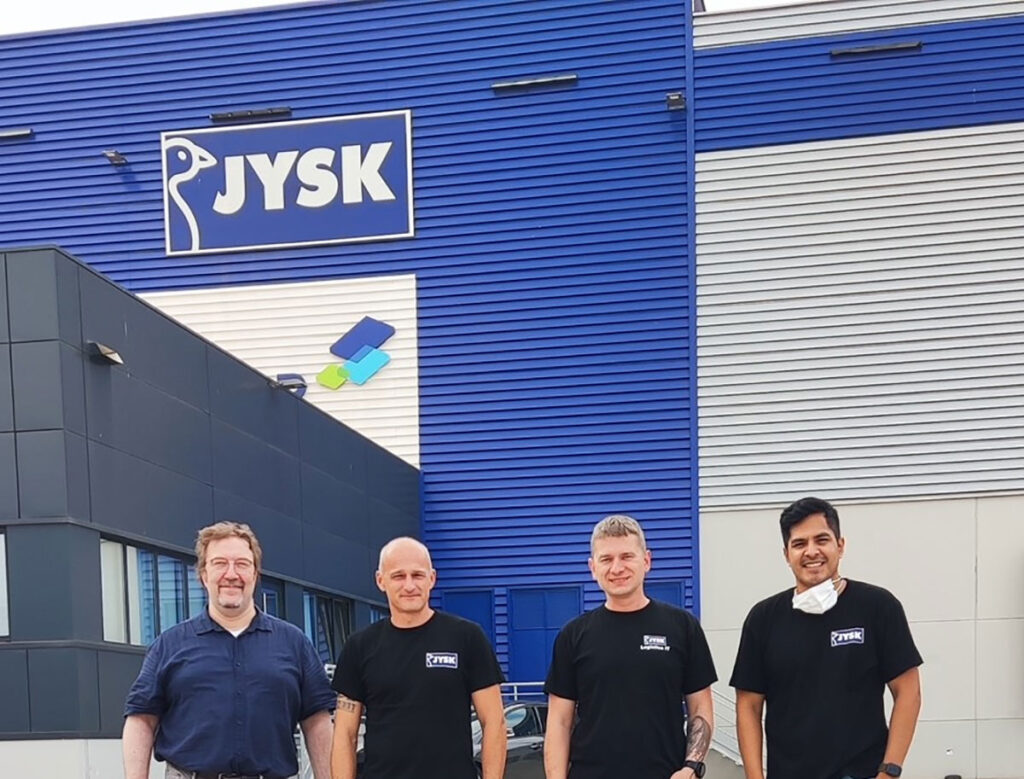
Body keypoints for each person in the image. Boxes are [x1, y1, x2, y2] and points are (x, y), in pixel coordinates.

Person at [122, 521, 335, 779]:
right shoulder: (168, 645)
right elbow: (141, 720)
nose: (231, 574)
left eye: (242, 564)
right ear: (203, 574)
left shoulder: (294, 643)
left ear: (255, 574)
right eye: (220, 563)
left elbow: (318, 722)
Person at [731, 497, 923, 779]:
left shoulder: (878, 607)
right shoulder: (763, 619)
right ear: (786, 554)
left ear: (840, 546)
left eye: (821, 540)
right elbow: (748, 705)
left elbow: (908, 691)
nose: (811, 551)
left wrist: (889, 771)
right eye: (799, 544)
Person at [544, 514, 718, 779]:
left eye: (627, 556)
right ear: (592, 567)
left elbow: (700, 708)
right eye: (606, 559)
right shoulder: (573, 636)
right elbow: (559, 722)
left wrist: (691, 767)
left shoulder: (682, 627)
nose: (617, 568)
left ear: (646, 561)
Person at [330, 537, 507, 779]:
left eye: (417, 575)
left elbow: (494, 722)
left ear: (432, 578)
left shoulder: (467, 638)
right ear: (380, 581)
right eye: (398, 576)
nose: (409, 585)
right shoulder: (359, 647)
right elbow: (344, 734)